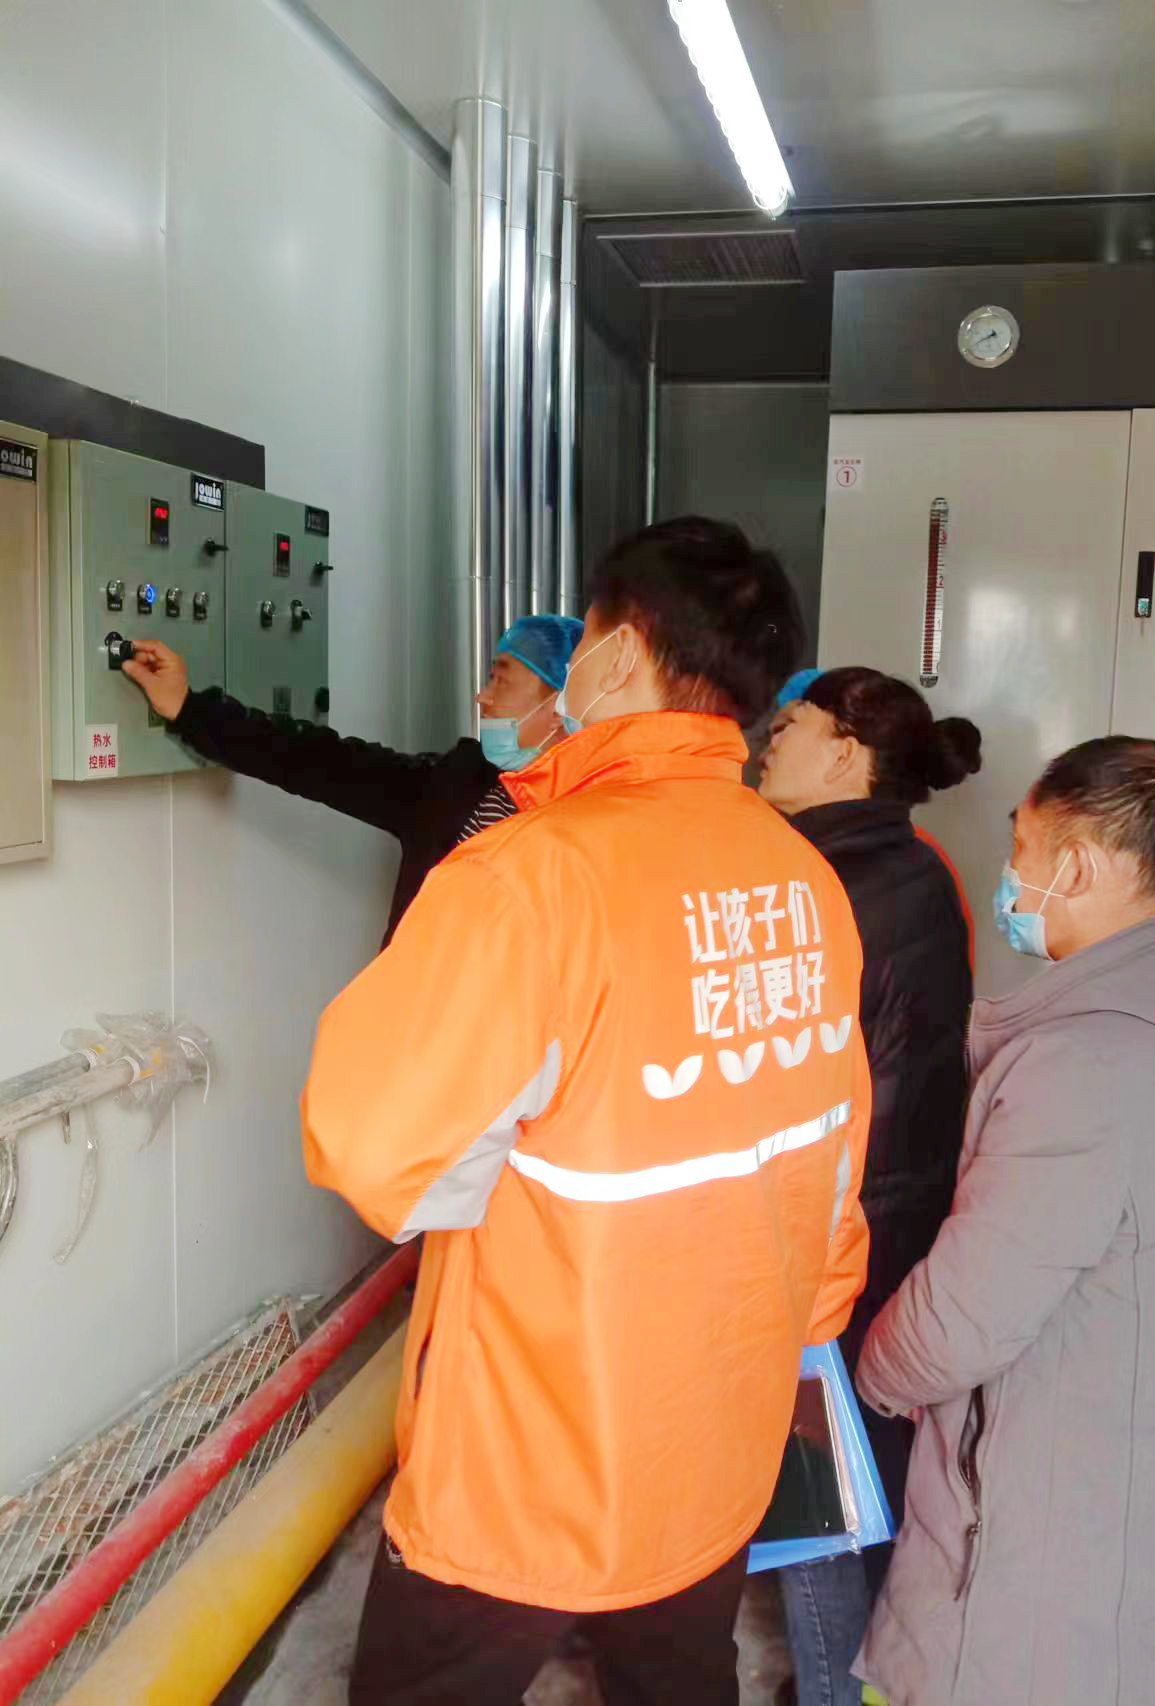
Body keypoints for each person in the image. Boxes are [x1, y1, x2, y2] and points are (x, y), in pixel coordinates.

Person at [301, 516, 875, 1705]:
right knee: (677, 1680)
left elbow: (375, 1150)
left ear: (616, 653)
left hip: (525, 1465)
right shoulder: (803, 879)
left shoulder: (529, 875)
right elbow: (830, 1160)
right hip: (714, 1434)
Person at [855, 735, 1155, 1706]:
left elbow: (958, 1322)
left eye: (1021, 850)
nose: (1009, 878)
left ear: (1077, 867)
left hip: (1047, 1564)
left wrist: (868, 1379)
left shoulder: (1090, 1063)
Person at [759, 667, 981, 1706]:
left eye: (790, 726)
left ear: (846, 753)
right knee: (860, 1467)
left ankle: (835, 1690)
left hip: (829, 1227)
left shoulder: (820, 883)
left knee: (812, 1488)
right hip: (889, 1215)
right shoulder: (908, 866)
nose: (768, 741)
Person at [122, 613, 582, 947]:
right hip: (419, 1027)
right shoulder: (456, 785)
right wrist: (190, 708)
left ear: (560, 705)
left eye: (501, 681)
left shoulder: (593, 823)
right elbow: (321, 761)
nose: (482, 696)